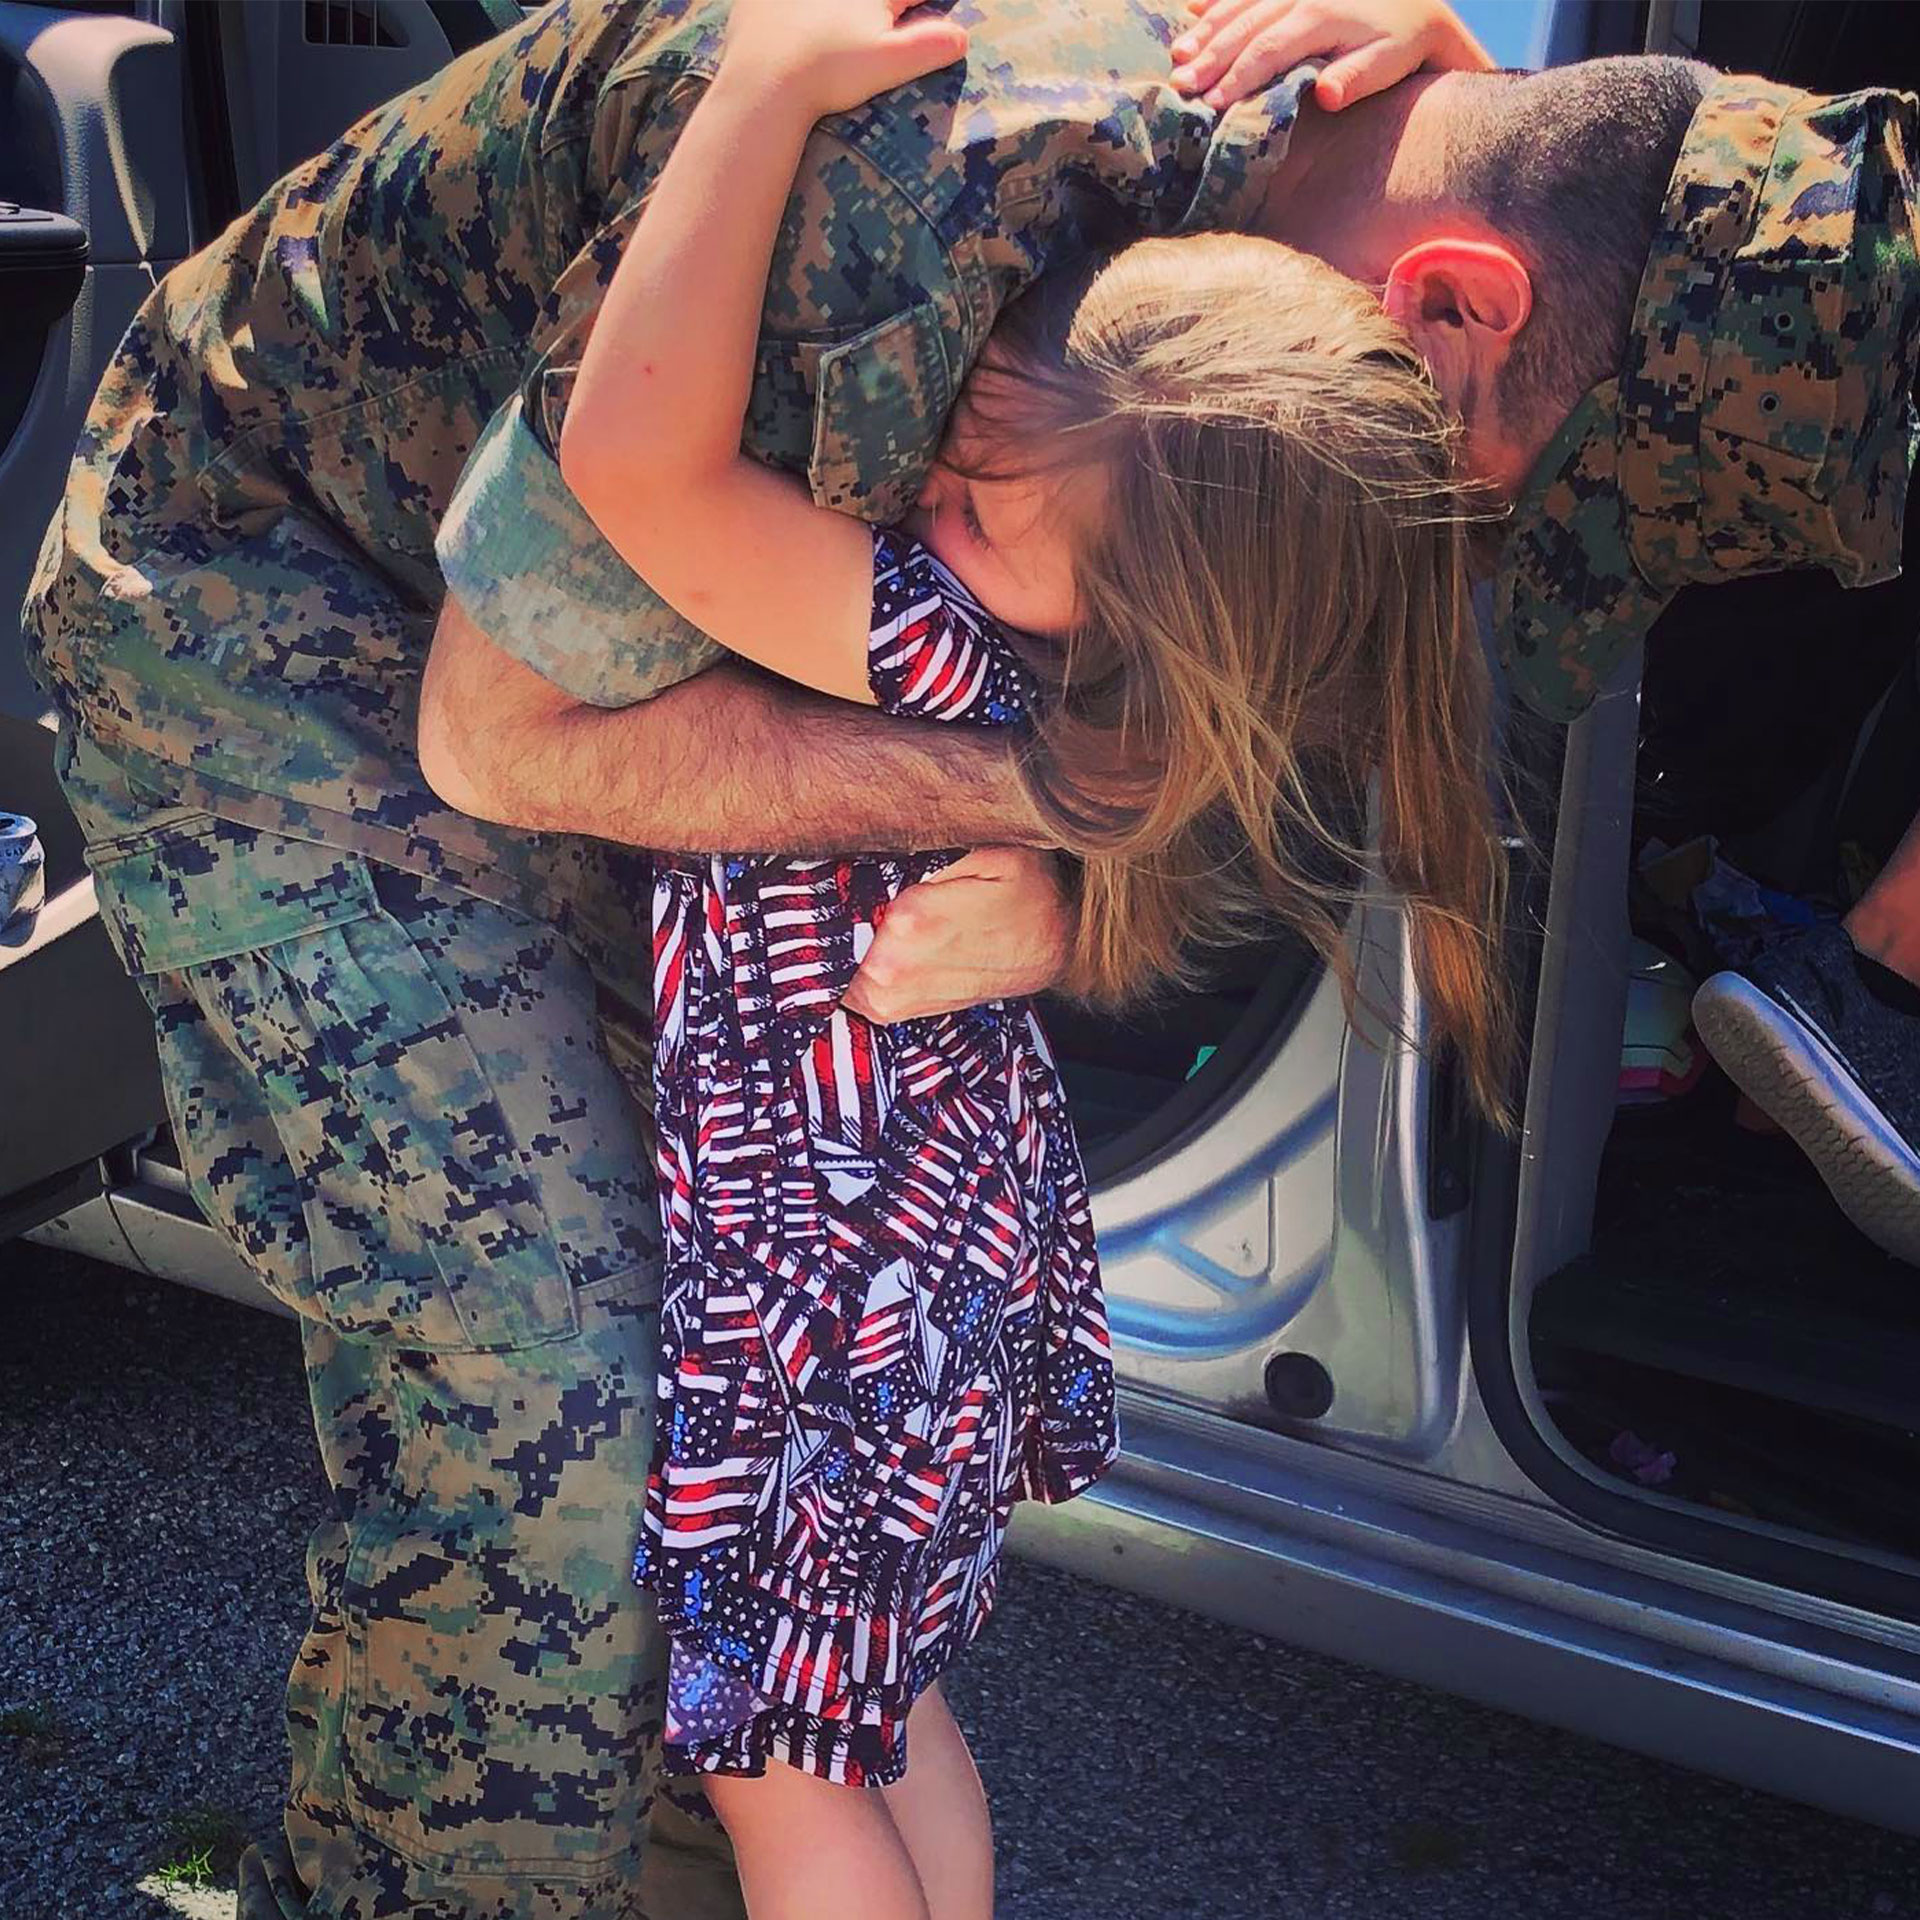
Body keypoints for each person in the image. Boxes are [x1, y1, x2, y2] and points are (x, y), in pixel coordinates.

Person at [19, 0, 1915, 1909]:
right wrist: (1052, 803)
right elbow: (500, 743)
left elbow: (1239, 720)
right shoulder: (931, 210)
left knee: (767, 1648)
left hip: (682, 755)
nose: (1435, 551)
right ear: (1455, 301)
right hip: (290, 589)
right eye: (1494, 501)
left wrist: (1069, 855)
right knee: (558, 1422)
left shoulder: (1264, 372)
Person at [551, 3, 1503, 1913]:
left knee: (771, 1767)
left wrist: (758, 93)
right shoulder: (1129, 708)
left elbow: (629, 470)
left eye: (982, 508)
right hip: (952, 1278)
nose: (926, 504)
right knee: (881, 1717)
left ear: (1149, 597)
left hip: (833, 1306)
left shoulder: (933, 649)